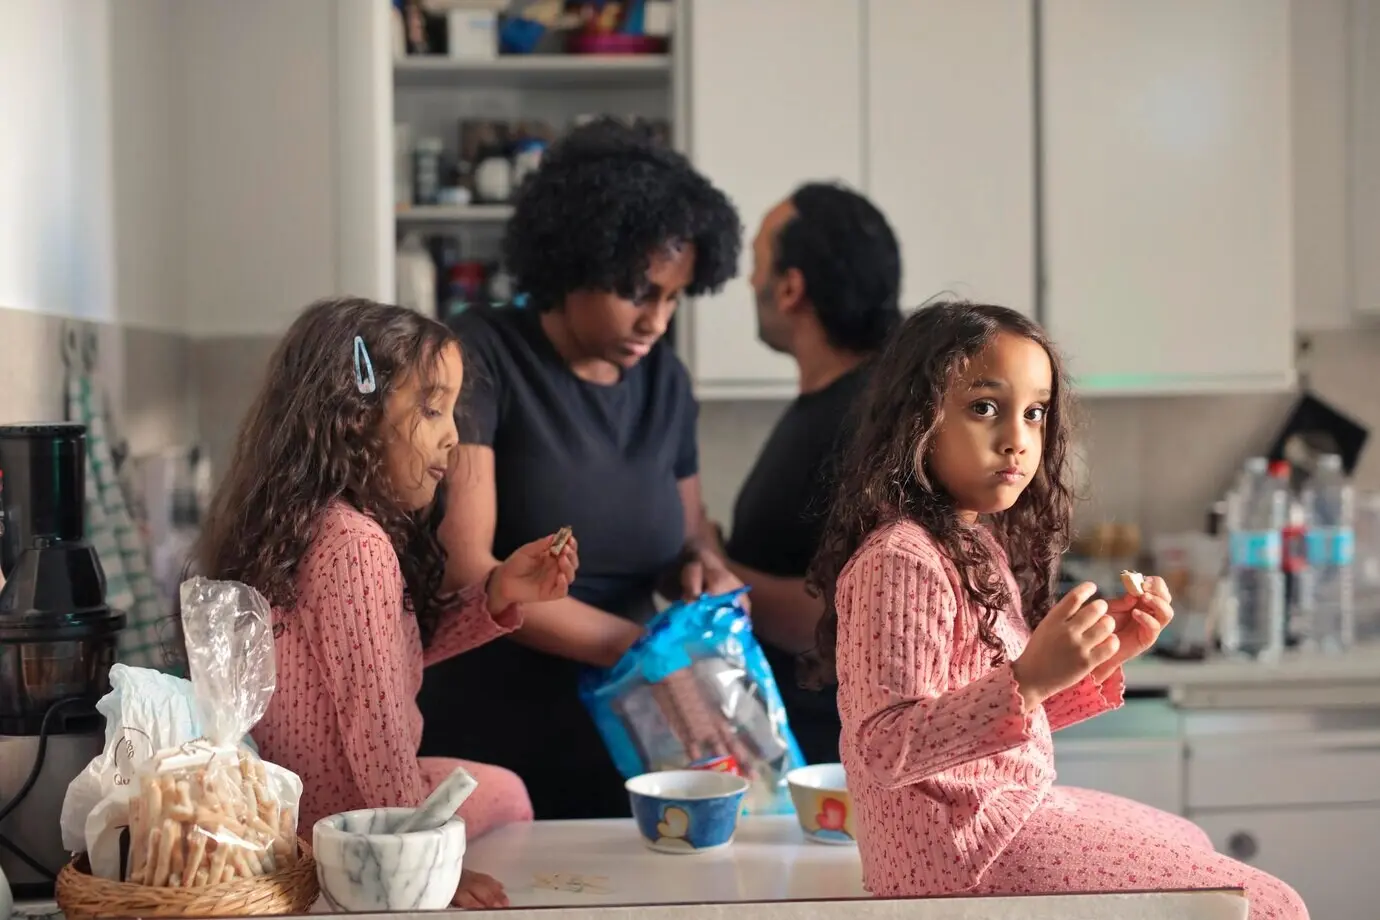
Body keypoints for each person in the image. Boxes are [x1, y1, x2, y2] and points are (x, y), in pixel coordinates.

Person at [804, 302, 1307, 917]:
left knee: (1190, 839)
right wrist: (1030, 677)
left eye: (1034, 413)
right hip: (959, 854)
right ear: (916, 419)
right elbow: (886, 747)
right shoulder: (900, 560)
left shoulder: (971, 544)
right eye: (984, 407)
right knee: (1270, 905)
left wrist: (1097, 657)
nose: (1017, 439)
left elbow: (996, 724)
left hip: (995, 819)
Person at [197, 298, 578, 909]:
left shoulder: (302, 527)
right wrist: (424, 866)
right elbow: (378, 732)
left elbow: (381, 662)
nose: (453, 436)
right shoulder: (357, 546)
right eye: (431, 409)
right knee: (508, 794)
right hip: (349, 823)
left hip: (296, 811)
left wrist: (499, 592)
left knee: (498, 789)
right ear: (355, 416)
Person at [419, 118, 746, 820]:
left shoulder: (666, 382)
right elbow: (468, 569)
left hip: (634, 742)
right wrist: (643, 651)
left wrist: (703, 575)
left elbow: (689, 538)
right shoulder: (482, 353)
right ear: (575, 261)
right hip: (497, 739)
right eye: (639, 291)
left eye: (673, 297)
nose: (656, 320)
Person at [702, 183, 901, 765]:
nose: (749, 282)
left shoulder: (869, 418)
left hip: (833, 765)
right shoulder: (842, 401)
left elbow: (842, 618)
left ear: (790, 288)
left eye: (757, 263)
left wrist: (716, 565)